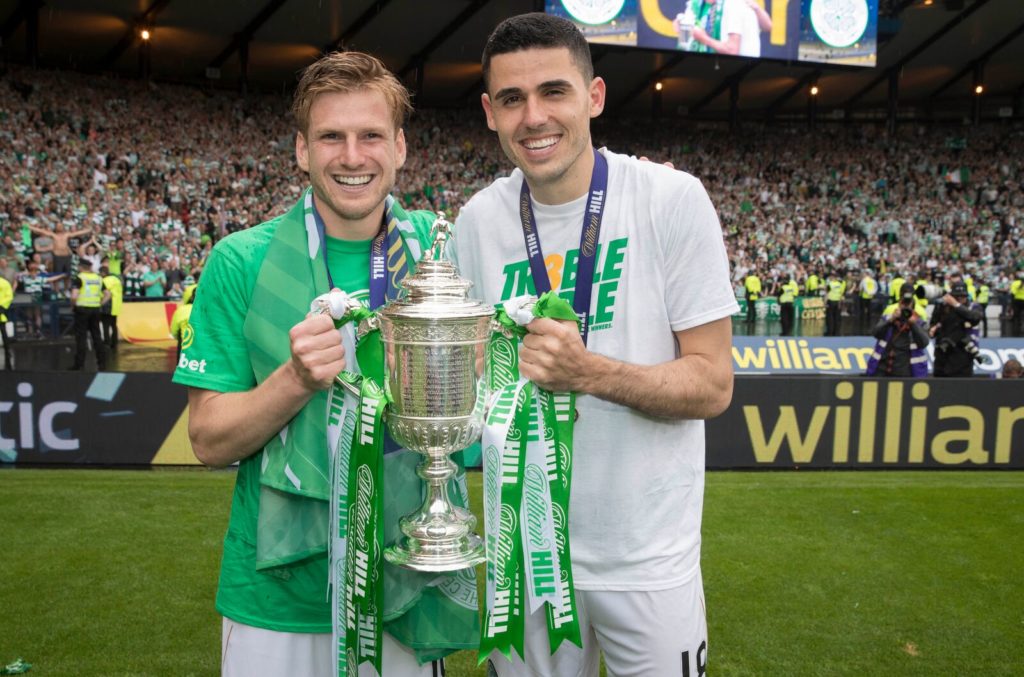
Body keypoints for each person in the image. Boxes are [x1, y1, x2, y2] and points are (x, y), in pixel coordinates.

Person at [172, 51, 476, 676]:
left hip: (408, 576)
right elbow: (207, 440)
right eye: (331, 136)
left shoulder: (442, 251)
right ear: (302, 151)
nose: (352, 156)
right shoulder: (240, 260)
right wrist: (294, 379)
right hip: (277, 598)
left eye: (371, 136)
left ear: (400, 147)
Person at [450, 13, 737, 676]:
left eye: (554, 91)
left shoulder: (670, 199)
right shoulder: (477, 221)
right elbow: (473, 386)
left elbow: (713, 383)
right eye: (513, 99)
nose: (534, 117)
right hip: (524, 557)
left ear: (594, 96)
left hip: (645, 556)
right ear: (490, 113)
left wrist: (587, 372)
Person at [865, 291, 929, 378]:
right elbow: (876, 333)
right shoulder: (888, 318)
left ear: (913, 308)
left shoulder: (919, 322)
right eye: (903, 304)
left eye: (908, 305)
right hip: (883, 369)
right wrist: (891, 320)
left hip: (905, 371)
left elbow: (924, 343)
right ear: (898, 305)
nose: (905, 307)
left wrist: (912, 324)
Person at [929, 280, 983, 377]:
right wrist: (933, 329)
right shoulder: (942, 307)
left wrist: (956, 305)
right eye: (956, 297)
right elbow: (932, 325)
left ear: (966, 296)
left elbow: (975, 318)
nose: (959, 299)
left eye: (962, 296)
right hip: (942, 356)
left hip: (963, 357)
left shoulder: (972, 307)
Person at [685, 0, 771, 57]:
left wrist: (703, 38)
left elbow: (732, 51)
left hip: (738, 69)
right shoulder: (697, 5)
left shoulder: (732, 4)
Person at [70, 263, 109, 371]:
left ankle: (79, 364)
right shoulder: (98, 278)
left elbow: (74, 296)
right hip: (95, 309)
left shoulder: (79, 278)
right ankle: (102, 363)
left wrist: (73, 306)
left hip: (82, 309)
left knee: (81, 337)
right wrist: (100, 304)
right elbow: (107, 294)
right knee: (97, 336)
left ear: (80, 267)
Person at [100, 264, 123, 351]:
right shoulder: (116, 279)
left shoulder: (105, 280)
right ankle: (114, 342)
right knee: (113, 325)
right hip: (116, 304)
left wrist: (100, 302)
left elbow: (104, 293)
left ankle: (107, 342)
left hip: (108, 304)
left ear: (103, 273)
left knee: (106, 324)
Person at [824, 269, 846, 336]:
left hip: (831, 301)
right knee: (837, 317)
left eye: (830, 277)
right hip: (837, 302)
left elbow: (826, 294)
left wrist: (825, 303)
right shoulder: (839, 284)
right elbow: (841, 294)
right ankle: (836, 331)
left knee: (830, 318)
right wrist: (840, 303)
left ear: (832, 277)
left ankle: (830, 331)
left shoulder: (830, 284)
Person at [0, 272, 12, 369]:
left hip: (0, 313)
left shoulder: (4, 283)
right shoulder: (5, 283)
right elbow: (9, 297)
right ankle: (8, 352)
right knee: (4, 334)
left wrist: (2, 307)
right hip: (1, 311)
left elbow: (9, 296)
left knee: (4, 334)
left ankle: (8, 351)